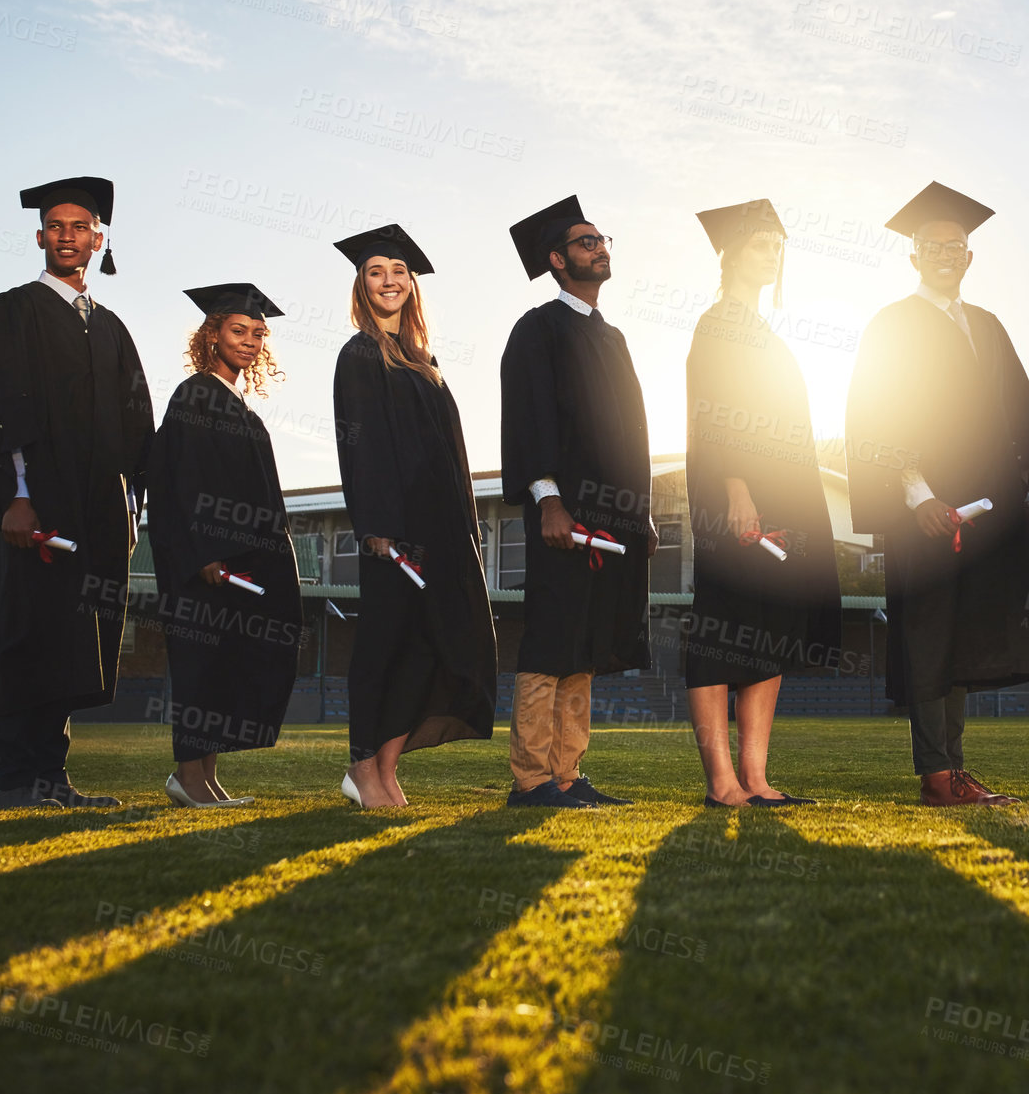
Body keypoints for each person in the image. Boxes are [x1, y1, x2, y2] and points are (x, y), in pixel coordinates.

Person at [845, 182, 1029, 808]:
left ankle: (954, 768)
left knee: (960, 639)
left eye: (955, 245)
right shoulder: (892, 324)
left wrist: (1013, 490)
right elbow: (875, 416)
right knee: (929, 637)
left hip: (981, 515)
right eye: (931, 245)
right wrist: (917, 495)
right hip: (925, 513)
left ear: (969, 256)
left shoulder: (987, 326)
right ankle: (937, 773)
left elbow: (1019, 417)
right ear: (913, 257)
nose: (945, 254)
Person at [0, 176, 152, 809]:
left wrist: (129, 505)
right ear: (39, 235)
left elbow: (134, 427)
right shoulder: (12, 312)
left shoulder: (112, 329)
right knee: (27, 632)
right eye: (56, 226)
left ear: (99, 239)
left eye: (80, 227)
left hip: (95, 514)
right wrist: (16, 494)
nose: (67, 236)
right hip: (36, 508)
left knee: (74, 641)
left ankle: (51, 777)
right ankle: (15, 779)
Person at [684, 199, 842, 808]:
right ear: (729, 254)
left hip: (782, 494)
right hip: (736, 495)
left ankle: (756, 778)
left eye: (778, 246)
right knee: (722, 628)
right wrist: (736, 488)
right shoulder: (717, 321)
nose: (771, 254)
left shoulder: (764, 330)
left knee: (768, 632)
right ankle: (722, 782)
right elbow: (713, 411)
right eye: (759, 245)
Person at [332, 224, 497, 809]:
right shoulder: (359, 355)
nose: (389, 281)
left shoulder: (424, 360)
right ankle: (361, 766)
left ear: (412, 285)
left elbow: (452, 453)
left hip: (441, 529)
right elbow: (362, 448)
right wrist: (377, 527)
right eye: (376, 272)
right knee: (387, 645)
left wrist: (467, 528)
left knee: (433, 645)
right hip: (395, 532)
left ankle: (387, 765)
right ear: (362, 286)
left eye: (398, 272)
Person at [500, 196, 655, 809]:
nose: (600, 247)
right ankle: (532, 778)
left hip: (614, 517)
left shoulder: (611, 336)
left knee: (586, 645)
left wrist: (639, 514)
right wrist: (547, 499)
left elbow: (632, 432)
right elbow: (528, 418)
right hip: (564, 514)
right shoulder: (537, 328)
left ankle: (568, 774)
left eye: (602, 239)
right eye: (586, 242)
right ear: (558, 259)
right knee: (550, 640)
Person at [147, 283, 304, 808]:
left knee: (222, 670)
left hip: (240, 563)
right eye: (239, 331)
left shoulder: (239, 405)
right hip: (206, 562)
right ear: (212, 334)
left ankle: (204, 780)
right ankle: (188, 778)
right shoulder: (196, 395)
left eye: (259, 333)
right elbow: (186, 483)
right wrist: (205, 553)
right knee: (200, 665)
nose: (251, 341)